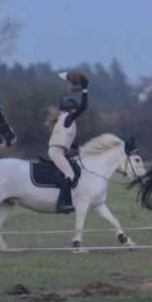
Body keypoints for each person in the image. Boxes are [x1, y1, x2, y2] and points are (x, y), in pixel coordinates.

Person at [47, 73, 89, 214]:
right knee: (69, 174)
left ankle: (68, 199)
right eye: (74, 108)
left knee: (74, 169)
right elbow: (83, 107)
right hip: (57, 152)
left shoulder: (64, 120)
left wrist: (78, 149)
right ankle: (61, 204)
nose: (75, 110)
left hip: (59, 150)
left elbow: (69, 141)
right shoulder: (68, 117)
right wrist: (84, 90)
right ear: (70, 108)